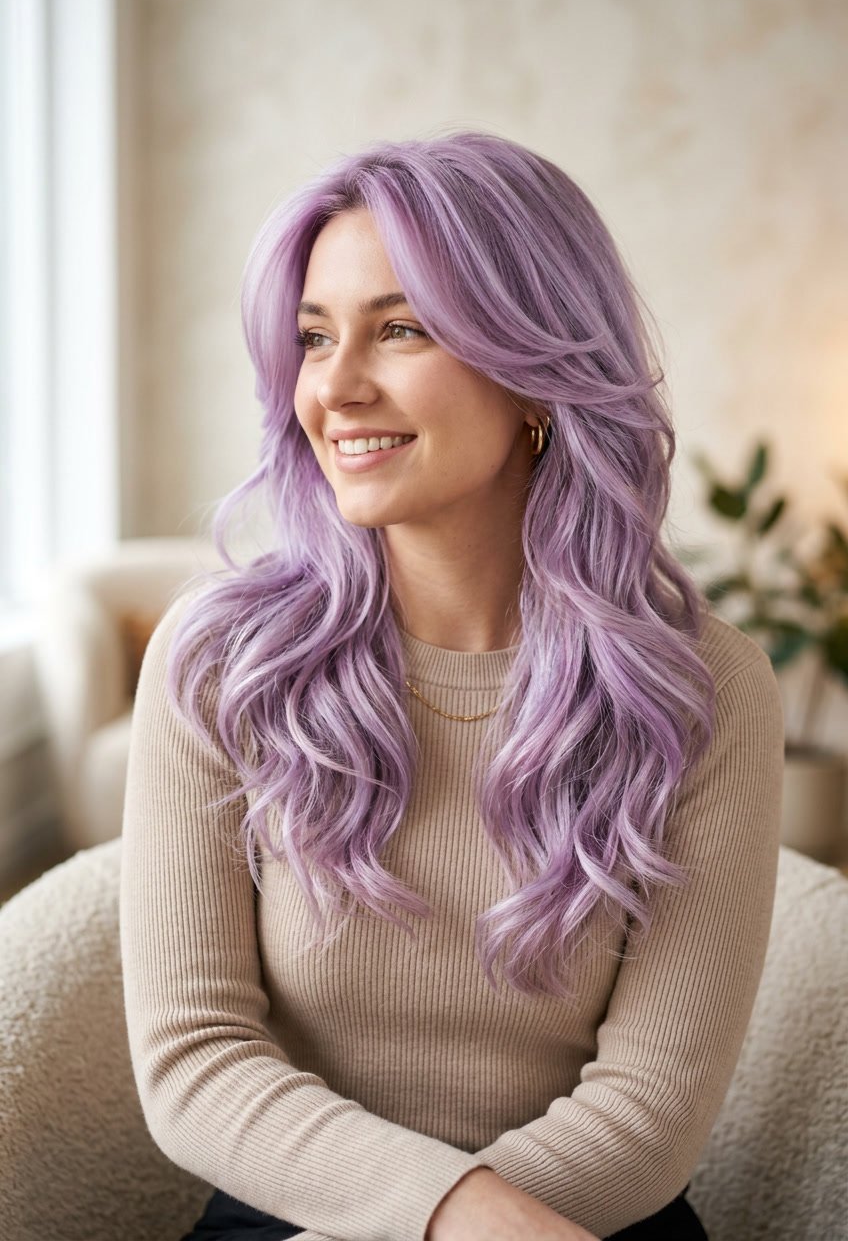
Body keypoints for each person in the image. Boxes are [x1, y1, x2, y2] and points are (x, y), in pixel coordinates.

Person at [119, 131, 784, 1241]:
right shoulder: (214, 660)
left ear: (534, 365)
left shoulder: (705, 687)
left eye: (399, 329)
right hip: (294, 1215)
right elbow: (195, 1059)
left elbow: (653, 1105)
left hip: (584, 1218)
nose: (331, 388)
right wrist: (428, 1218)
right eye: (312, 337)